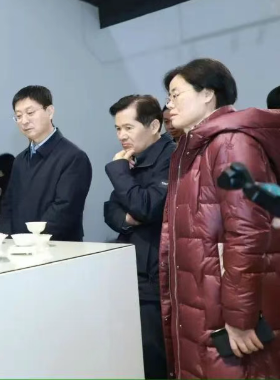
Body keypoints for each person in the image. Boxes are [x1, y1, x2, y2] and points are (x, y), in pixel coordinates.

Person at [161, 58, 280, 379]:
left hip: (227, 315)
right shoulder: (194, 148)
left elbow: (248, 233)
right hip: (206, 305)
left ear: (207, 94)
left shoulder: (230, 143)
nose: (169, 105)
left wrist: (241, 318)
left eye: (176, 94)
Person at [103, 95, 175, 379]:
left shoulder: (170, 157)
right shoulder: (133, 159)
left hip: (157, 275)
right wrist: (128, 217)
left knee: (153, 357)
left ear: (154, 126)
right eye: (117, 129)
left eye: (128, 128)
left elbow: (147, 207)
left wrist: (121, 174)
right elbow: (110, 210)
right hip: (131, 271)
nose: (122, 135)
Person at [0, 86, 92, 240]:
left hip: (57, 247)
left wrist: (31, 240)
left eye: (30, 113)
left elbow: (64, 209)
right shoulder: (20, 160)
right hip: (19, 247)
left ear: (50, 111)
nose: (24, 121)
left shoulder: (73, 157)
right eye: (18, 116)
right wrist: (6, 239)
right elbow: (8, 205)